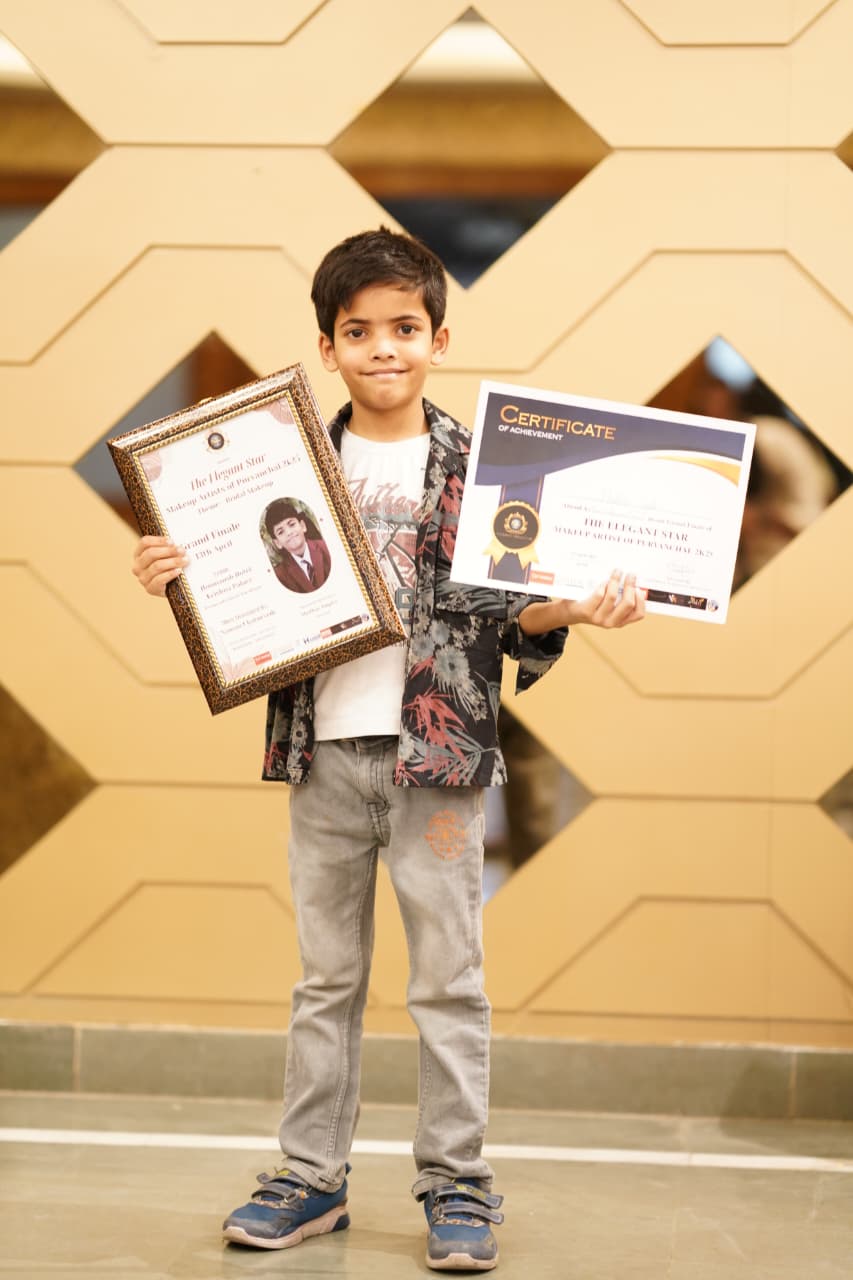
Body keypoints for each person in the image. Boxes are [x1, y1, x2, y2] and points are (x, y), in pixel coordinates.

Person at [131, 227, 646, 1271]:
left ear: (438, 340)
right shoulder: (278, 461)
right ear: (327, 348)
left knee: (448, 983)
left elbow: (510, 611)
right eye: (358, 331)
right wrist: (176, 572)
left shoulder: (490, 467)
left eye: (404, 328)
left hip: (439, 765)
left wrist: (575, 608)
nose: (383, 349)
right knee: (325, 983)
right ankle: (309, 1177)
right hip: (322, 756)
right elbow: (240, 590)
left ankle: (458, 1183)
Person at [264, 498, 331, 592]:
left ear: (303, 526)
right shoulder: (280, 575)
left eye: (291, 524)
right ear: (277, 543)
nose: (289, 532)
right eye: (280, 532)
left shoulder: (327, 548)